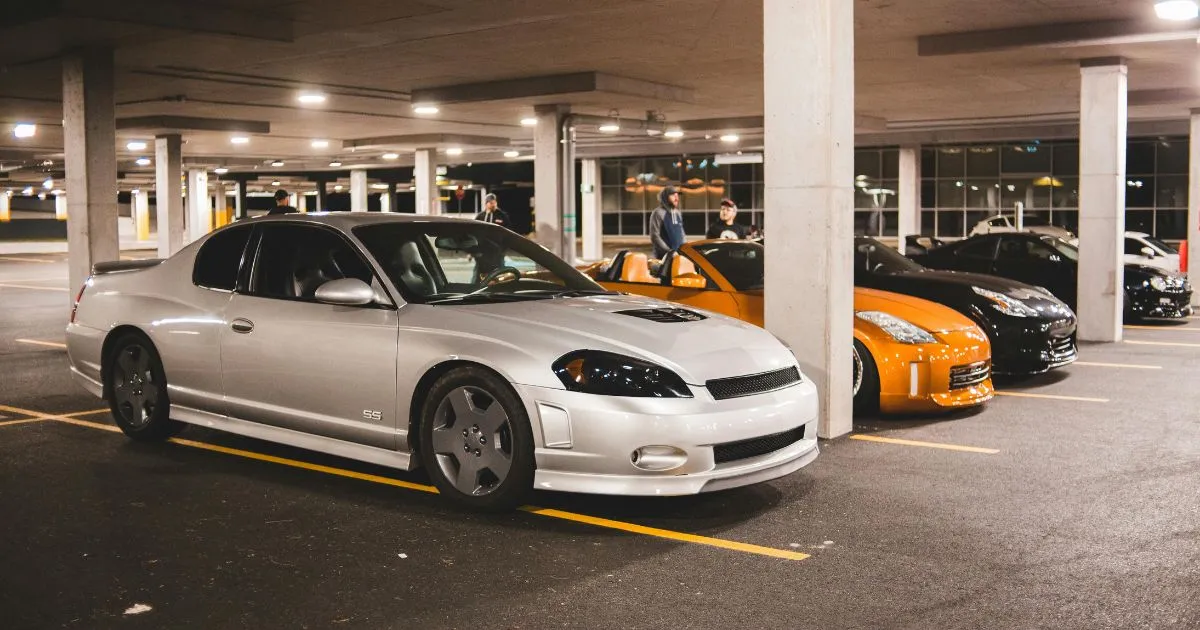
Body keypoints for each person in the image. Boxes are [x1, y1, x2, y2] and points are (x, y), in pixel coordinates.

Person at [648, 185, 684, 259]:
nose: (676, 198)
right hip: (663, 257)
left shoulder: (677, 213)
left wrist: (685, 249)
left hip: (678, 256)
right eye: (673, 195)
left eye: (677, 195)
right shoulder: (658, 213)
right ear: (665, 197)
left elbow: (681, 233)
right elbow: (655, 236)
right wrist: (669, 252)